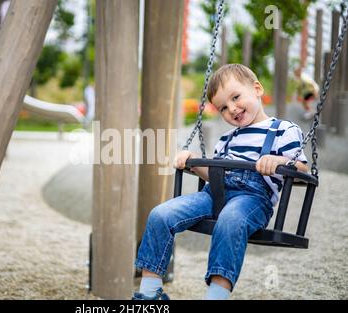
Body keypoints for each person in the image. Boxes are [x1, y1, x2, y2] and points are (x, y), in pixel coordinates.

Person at [132, 64, 308, 300]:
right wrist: (193, 161)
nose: (232, 109)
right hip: (213, 195)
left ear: (257, 89)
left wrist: (278, 161)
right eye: (223, 107)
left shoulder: (283, 130)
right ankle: (149, 294)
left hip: (252, 199)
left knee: (230, 220)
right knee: (160, 215)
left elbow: (302, 168)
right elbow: (214, 175)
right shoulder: (227, 139)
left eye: (236, 97)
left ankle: (216, 295)